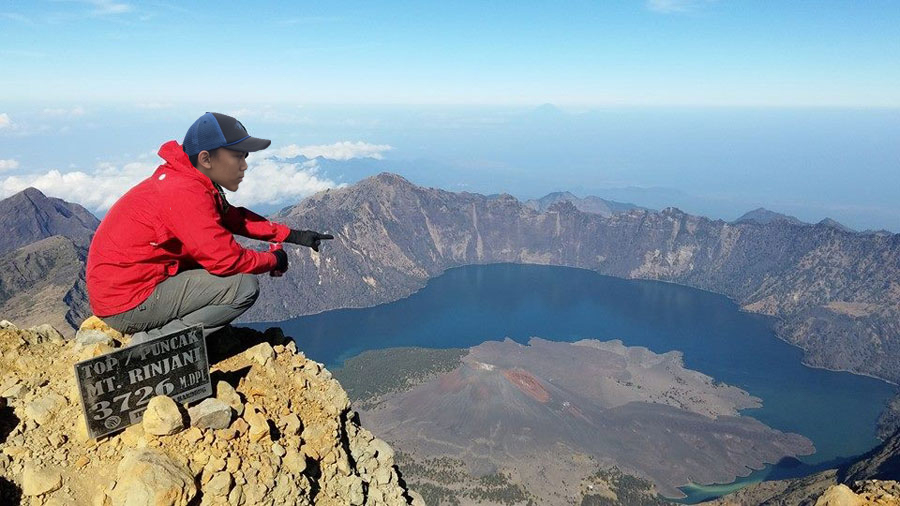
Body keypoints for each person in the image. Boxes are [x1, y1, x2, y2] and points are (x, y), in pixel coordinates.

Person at [86, 112, 333, 345]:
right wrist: (274, 260)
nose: (244, 165)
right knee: (243, 288)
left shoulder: (189, 179)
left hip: (126, 287)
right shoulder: (184, 193)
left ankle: (173, 333)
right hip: (128, 302)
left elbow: (232, 218)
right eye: (237, 156)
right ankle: (157, 343)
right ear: (206, 158)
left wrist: (293, 235)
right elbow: (226, 261)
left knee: (206, 266)